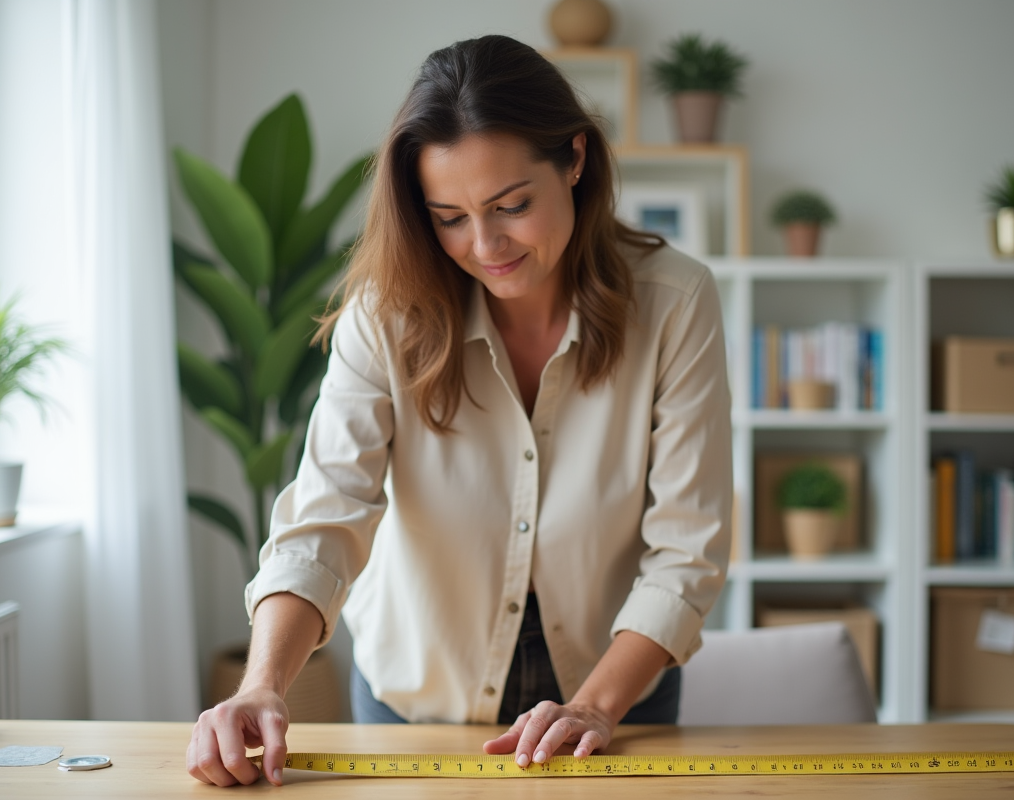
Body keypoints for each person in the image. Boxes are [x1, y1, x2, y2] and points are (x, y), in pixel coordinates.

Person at [187, 33, 732, 788]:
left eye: (512, 206)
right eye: (449, 216)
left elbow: (687, 547)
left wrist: (598, 706)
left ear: (574, 161)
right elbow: (325, 514)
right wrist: (263, 683)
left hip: (619, 688)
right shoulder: (383, 315)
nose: (484, 245)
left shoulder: (675, 301)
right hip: (414, 697)